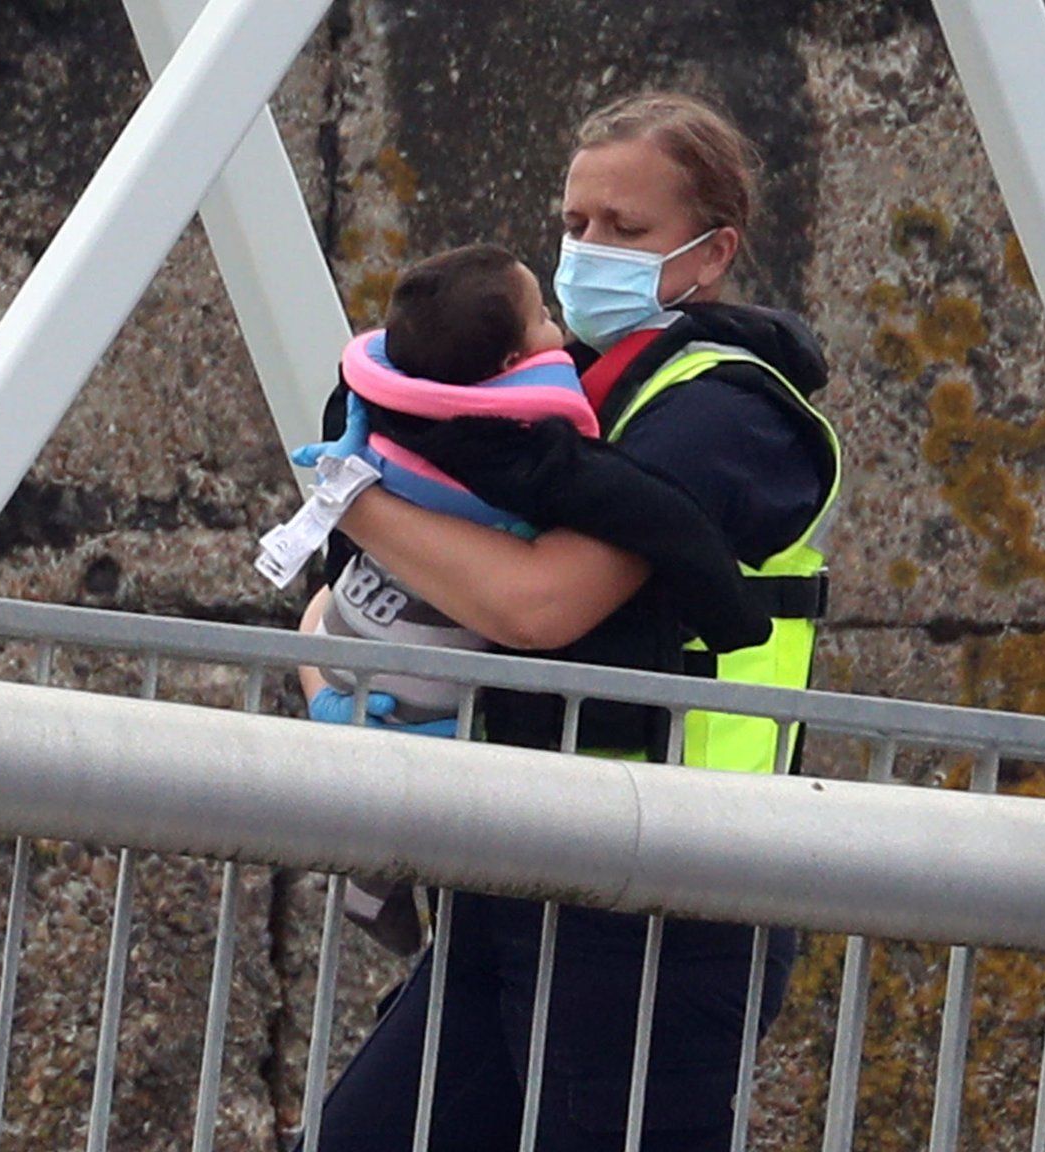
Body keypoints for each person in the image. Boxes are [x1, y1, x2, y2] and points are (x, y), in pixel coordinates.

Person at [303, 91, 842, 1150]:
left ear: (709, 252)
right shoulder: (556, 393)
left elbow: (536, 602)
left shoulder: (729, 409)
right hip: (522, 856)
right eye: (574, 224)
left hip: (674, 891)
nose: (584, 251)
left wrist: (351, 494)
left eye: (624, 230)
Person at [283, 242, 772, 955]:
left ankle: (372, 866)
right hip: (444, 682)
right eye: (543, 317)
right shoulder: (523, 448)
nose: (558, 330)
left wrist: (347, 500)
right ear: (513, 364)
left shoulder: (374, 408)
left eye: (620, 226)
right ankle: (375, 870)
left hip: (360, 628)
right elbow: (643, 518)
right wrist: (731, 610)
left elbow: (344, 560)